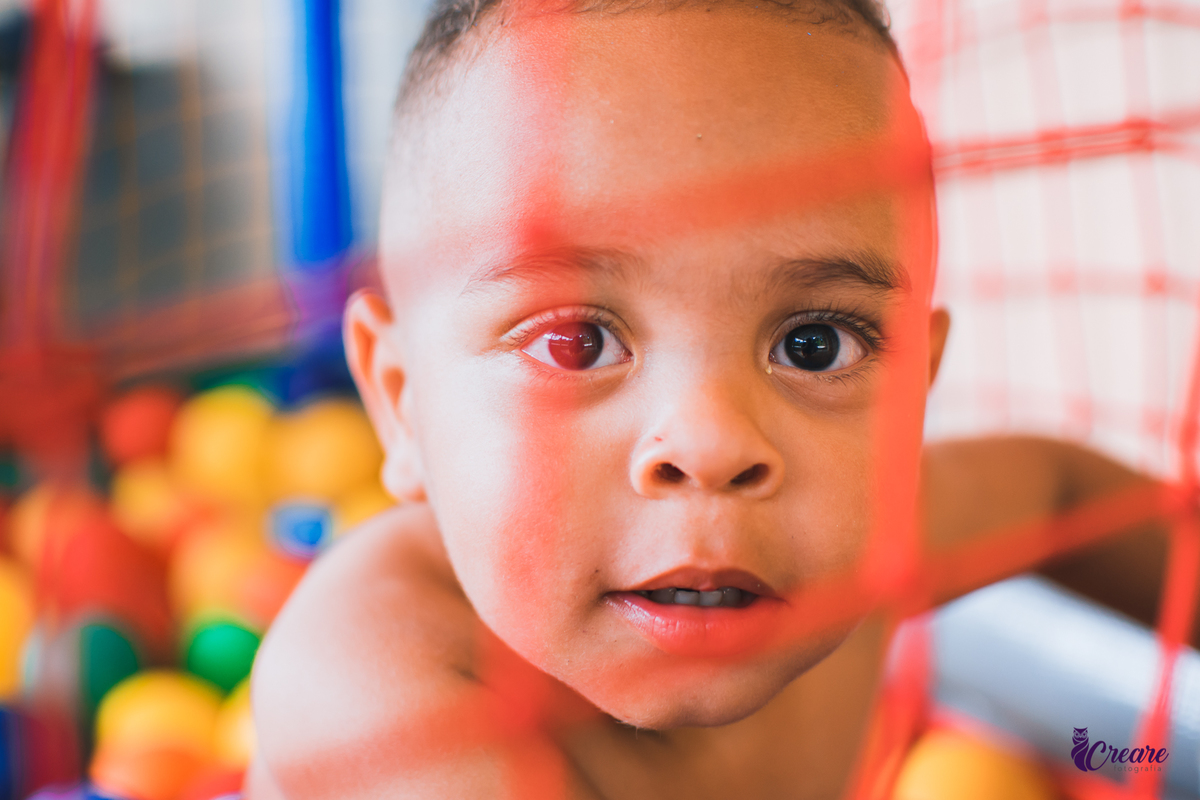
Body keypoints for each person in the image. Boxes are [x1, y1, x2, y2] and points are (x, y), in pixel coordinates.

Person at [246, 0, 1196, 796]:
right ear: (400, 403)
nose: (711, 442)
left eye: (814, 346)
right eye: (576, 343)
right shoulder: (369, 682)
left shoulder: (863, 546)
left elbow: (1061, 493)